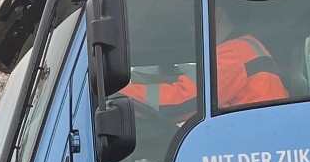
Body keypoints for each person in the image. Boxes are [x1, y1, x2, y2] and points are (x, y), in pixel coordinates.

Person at [118, 34, 289, 112]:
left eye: (193, 20)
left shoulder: (237, 52)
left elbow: (181, 102)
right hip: (252, 148)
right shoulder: (249, 49)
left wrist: (114, 94)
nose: (192, 28)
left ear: (217, 14)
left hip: (249, 151)